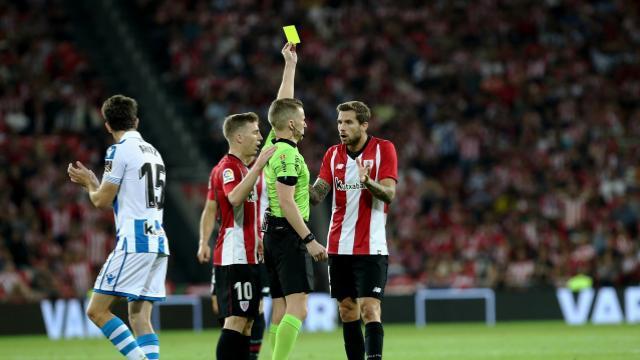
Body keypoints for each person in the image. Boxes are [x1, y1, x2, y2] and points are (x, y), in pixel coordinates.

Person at [67, 94, 168, 360]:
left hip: (135, 240)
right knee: (139, 317)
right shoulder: (154, 153)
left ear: (107, 125)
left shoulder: (118, 150)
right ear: (136, 120)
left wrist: (90, 182)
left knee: (96, 311)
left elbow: (101, 200)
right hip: (158, 240)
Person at [309, 101, 398, 360]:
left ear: (364, 125)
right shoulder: (332, 155)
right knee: (347, 310)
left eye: (348, 122)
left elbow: (389, 194)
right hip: (338, 246)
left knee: (370, 309)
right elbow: (317, 195)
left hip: (372, 246)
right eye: (339, 122)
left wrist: (367, 181)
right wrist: (298, 182)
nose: (342, 127)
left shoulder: (384, 149)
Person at [262, 43, 328, 360]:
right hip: (289, 236)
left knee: (280, 307)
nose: (305, 123)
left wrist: (290, 66)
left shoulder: (275, 143)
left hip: (272, 235)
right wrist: (310, 239)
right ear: (291, 125)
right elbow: (288, 203)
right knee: (298, 309)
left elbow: (281, 106)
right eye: (301, 119)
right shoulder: (288, 156)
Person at [196, 112, 276, 359]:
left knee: (248, 322)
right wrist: (260, 165)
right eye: (255, 132)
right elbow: (234, 198)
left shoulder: (242, 168)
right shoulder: (229, 167)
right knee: (236, 320)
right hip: (235, 255)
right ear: (239, 137)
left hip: (249, 254)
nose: (260, 138)